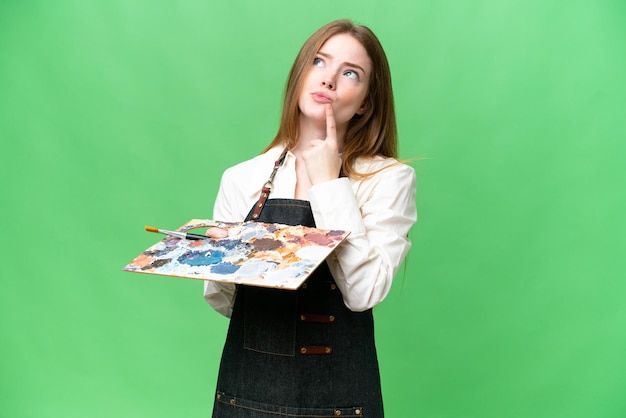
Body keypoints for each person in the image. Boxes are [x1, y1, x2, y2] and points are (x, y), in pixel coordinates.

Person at [204, 19, 417, 418]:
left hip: (341, 404)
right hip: (245, 398)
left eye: (350, 72)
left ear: (366, 101)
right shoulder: (242, 177)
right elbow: (225, 301)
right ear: (300, 74)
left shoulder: (388, 179)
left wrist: (328, 184)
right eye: (319, 62)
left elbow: (363, 293)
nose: (330, 80)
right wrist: (226, 258)